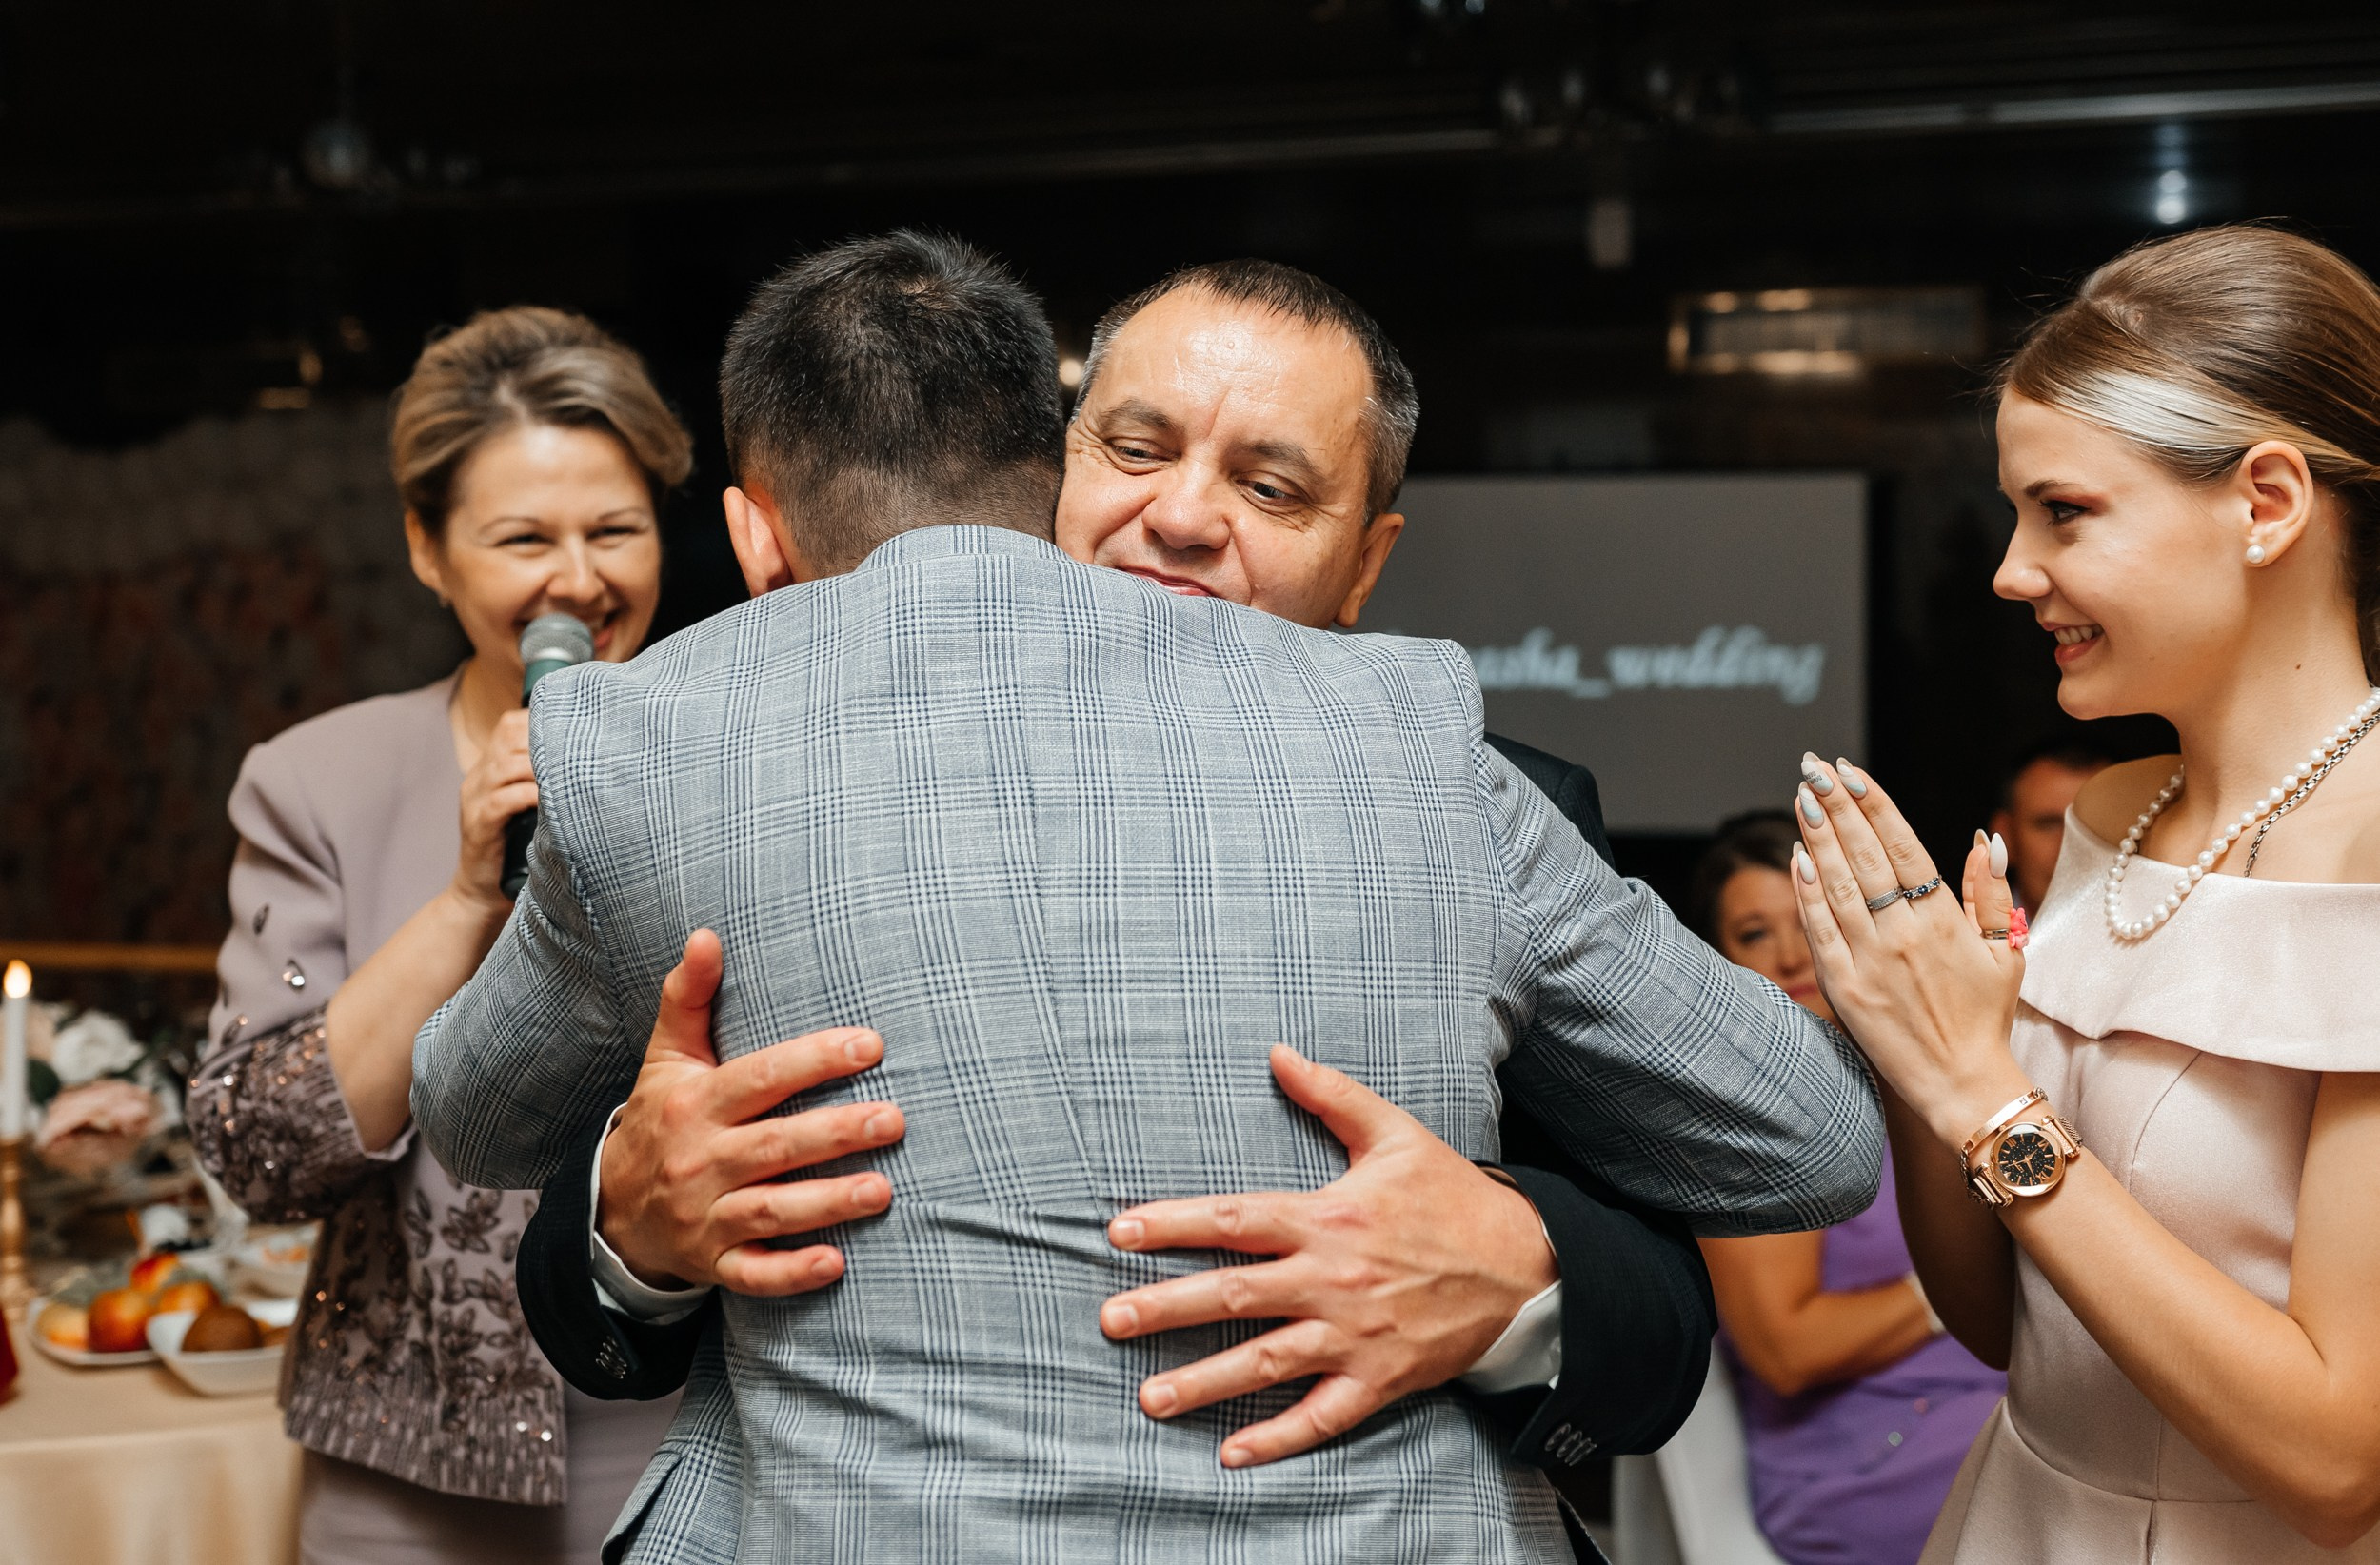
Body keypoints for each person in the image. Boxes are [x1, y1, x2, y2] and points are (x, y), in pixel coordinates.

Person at [409, 232, 1883, 1561]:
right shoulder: (748, 774)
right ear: (1046, 467)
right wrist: (635, 1216)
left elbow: (1691, 1289)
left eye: (1269, 483)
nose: (1181, 518)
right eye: (1135, 448)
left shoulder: (1483, 792)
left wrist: (1516, 1269)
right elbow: (543, 1208)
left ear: (1367, 562)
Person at [1785, 224, 2380, 1562]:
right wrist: (1925, 1046)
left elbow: (2340, 1463)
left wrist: (1983, 1097)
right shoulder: (2117, 812)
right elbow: (2003, 1325)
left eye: (2065, 511)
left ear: (2267, 503)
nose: (2007, 569)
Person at [191, 307, 692, 1564]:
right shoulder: (317, 781)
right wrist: (470, 893)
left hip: (696, 1444)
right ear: (429, 549)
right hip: (404, 1485)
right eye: (524, 538)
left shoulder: (739, 751)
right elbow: (255, 1148)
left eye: (614, 530)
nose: (577, 580)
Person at [1687, 812, 2004, 1565]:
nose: (1796, 955)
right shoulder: (1752, 1116)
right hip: (1871, 1459)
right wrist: (1965, 1290)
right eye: (1756, 934)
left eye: (1810, 918)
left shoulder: (1912, 1073)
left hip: (1989, 1409)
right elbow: (1787, 1348)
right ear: (1717, 958)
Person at [1987, 740, 2111, 913]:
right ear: (2004, 836)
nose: (2069, 849)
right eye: (2049, 825)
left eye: (2091, 827)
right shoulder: (1956, 938)